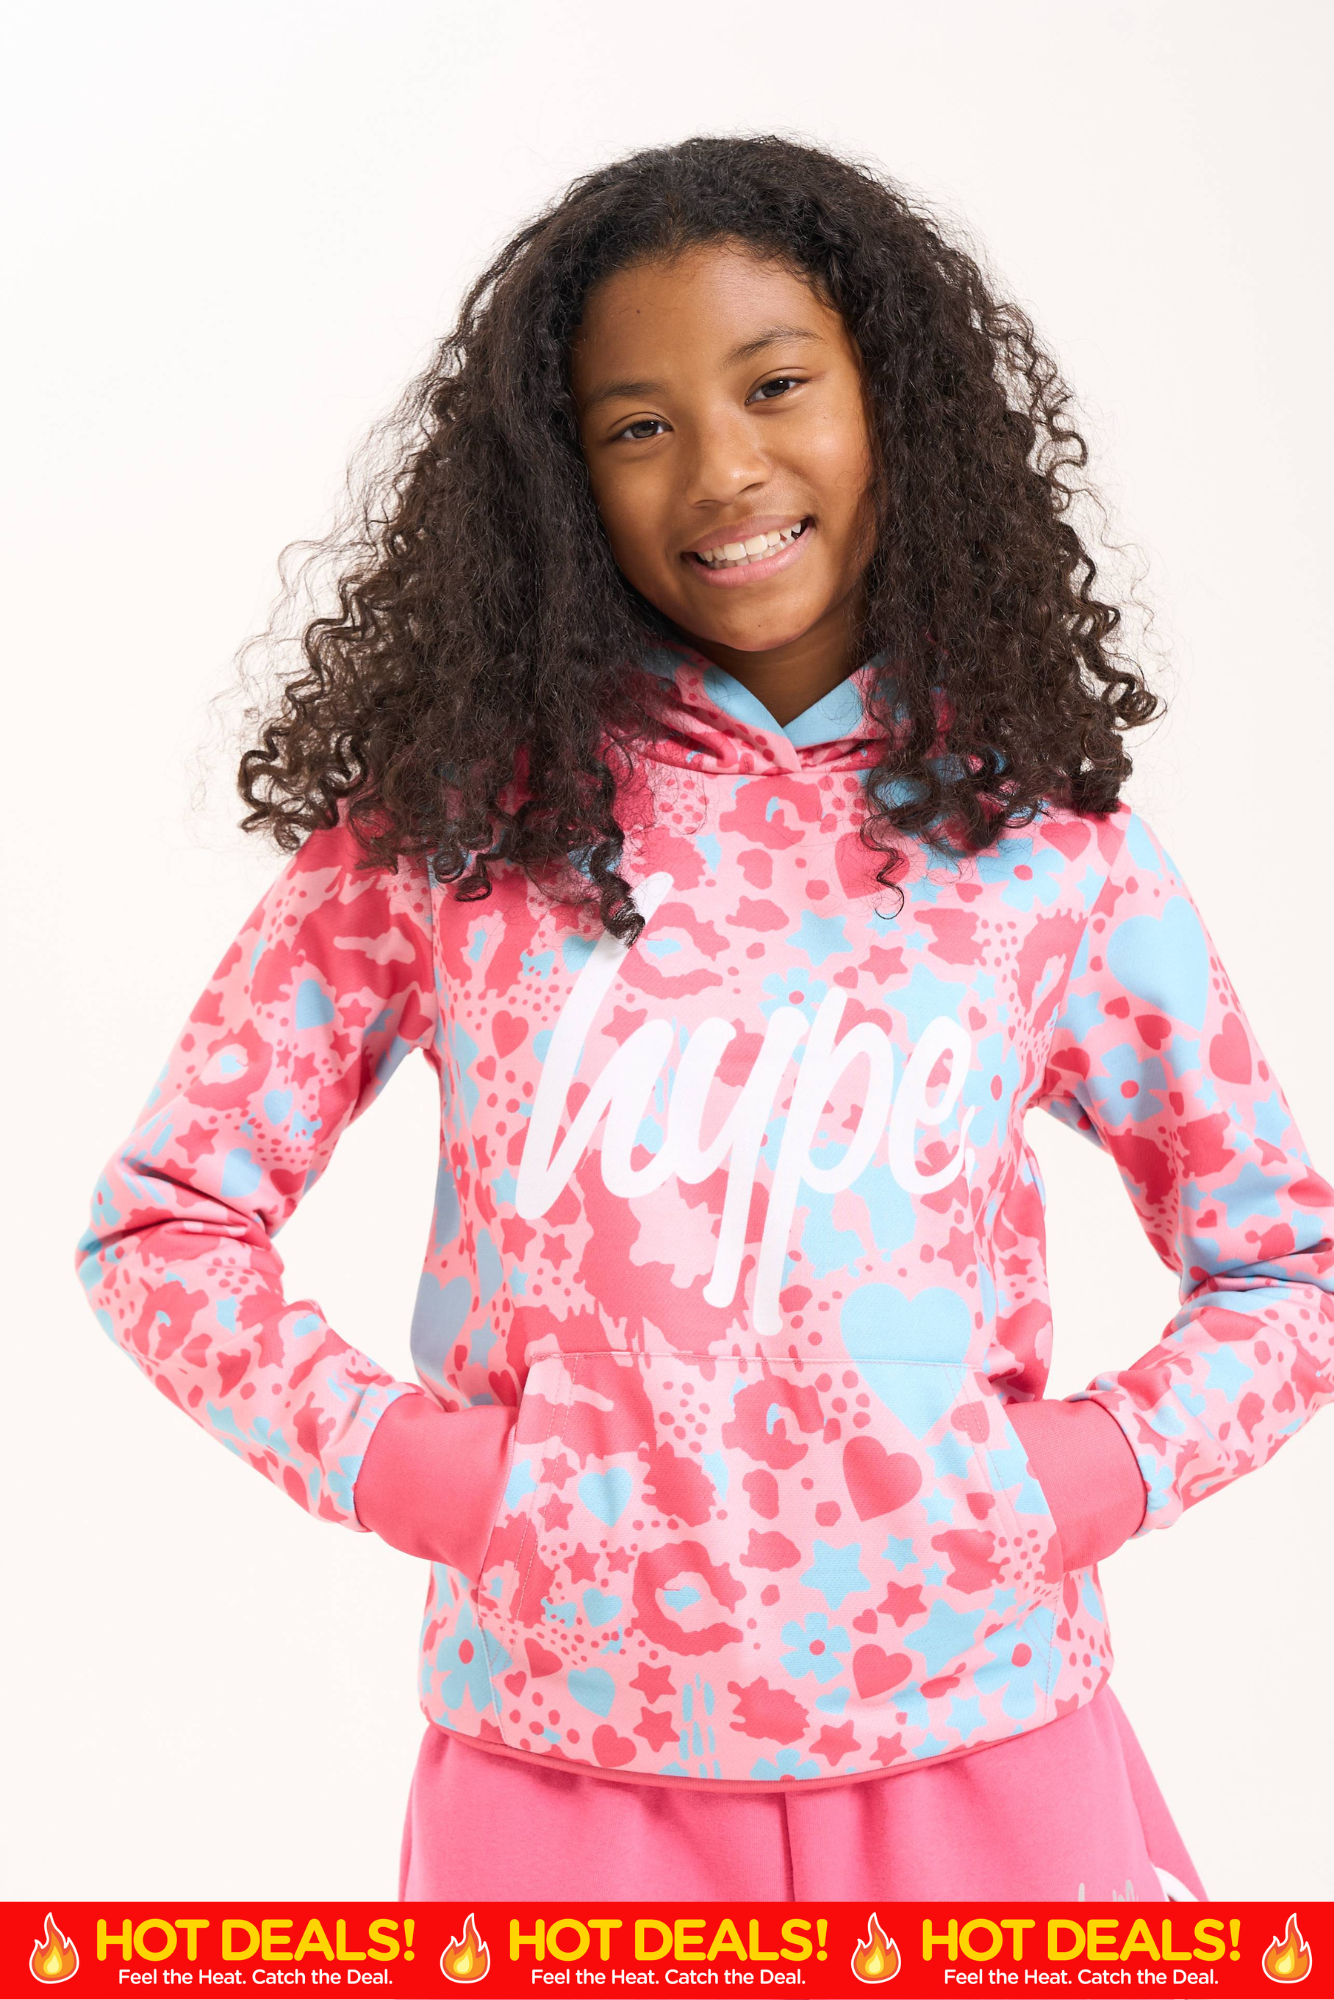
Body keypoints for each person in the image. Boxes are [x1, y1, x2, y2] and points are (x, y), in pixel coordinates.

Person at [77, 134, 1332, 1903]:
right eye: (635, 424)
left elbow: (1286, 1266)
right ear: (559, 479)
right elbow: (165, 1221)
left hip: (983, 1743)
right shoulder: (453, 832)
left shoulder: (1047, 851)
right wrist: (419, 1474)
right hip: (559, 1764)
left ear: (891, 404)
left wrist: (1084, 1478)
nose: (723, 468)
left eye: (776, 385)